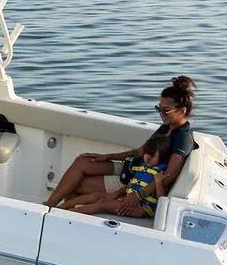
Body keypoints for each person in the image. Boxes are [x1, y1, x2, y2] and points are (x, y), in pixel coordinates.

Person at [44, 76, 197, 215]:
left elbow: (168, 176)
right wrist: (107, 156)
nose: (161, 114)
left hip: (136, 179)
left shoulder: (182, 138)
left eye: (165, 111)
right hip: (132, 168)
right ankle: (49, 206)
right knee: (82, 162)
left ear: (182, 111)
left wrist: (138, 195)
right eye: (159, 109)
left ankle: (59, 215)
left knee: (76, 185)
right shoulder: (166, 127)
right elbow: (140, 151)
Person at [59, 133, 171, 217]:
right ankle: (61, 207)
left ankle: (65, 214)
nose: (148, 158)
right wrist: (116, 194)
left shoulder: (160, 173)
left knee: (102, 204)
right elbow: (132, 184)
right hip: (128, 198)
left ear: (161, 158)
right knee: (97, 196)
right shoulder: (143, 166)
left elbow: (161, 199)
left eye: (153, 156)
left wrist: (158, 183)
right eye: (147, 154)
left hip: (142, 209)